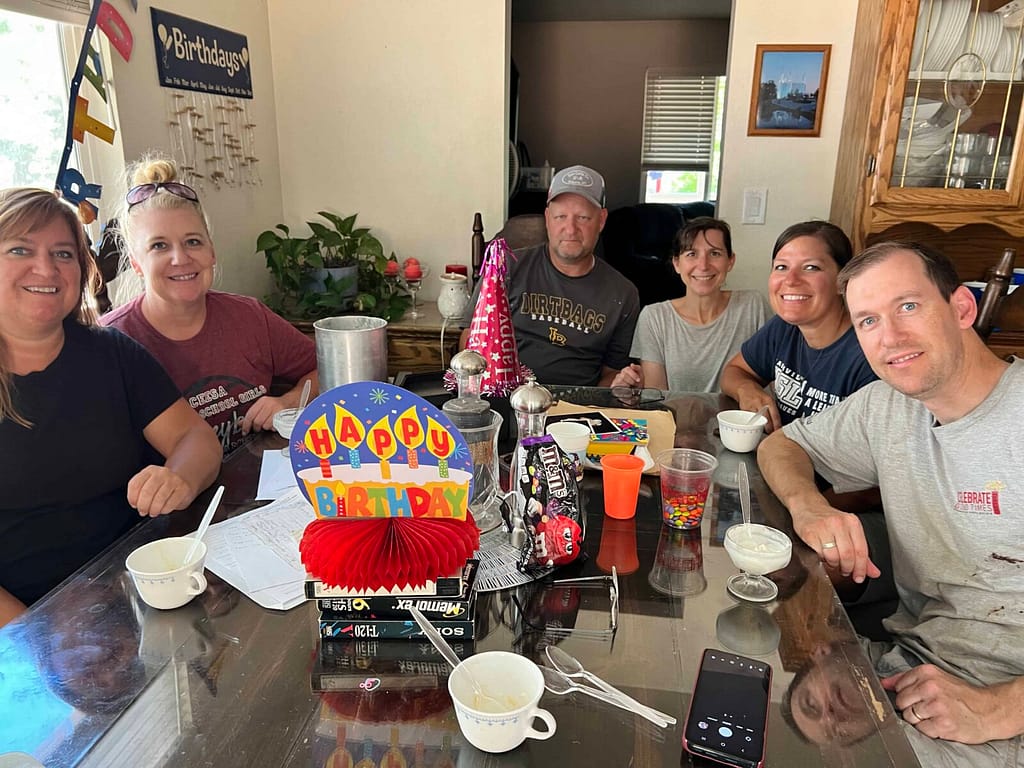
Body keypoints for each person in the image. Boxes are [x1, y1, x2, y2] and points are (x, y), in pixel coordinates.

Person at [758, 241, 1024, 766]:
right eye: (867, 321)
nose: (891, 338)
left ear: (962, 308)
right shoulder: (889, 405)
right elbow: (781, 445)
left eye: (908, 306)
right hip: (910, 664)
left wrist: (999, 709)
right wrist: (811, 506)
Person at [0, 188, 221, 626]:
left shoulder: (112, 352)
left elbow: (193, 437)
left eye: (63, 253)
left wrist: (178, 477)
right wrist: (26, 638)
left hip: (141, 592)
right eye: (20, 249)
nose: (45, 268)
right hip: (27, 623)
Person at [101, 155, 318, 455]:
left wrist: (289, 402)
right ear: (136, 263)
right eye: (159, 246)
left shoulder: (250, 317)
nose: (181, 258)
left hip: (261, 491)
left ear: (211, 251)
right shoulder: (110, 343)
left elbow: (323, 368)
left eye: (193, 242)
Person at [460, 165, 642, 387]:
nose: (570, 228)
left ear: (601, 220)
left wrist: (619, 385)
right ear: (547, 218)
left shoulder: (624, 294)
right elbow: (470, 338)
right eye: (560, 216)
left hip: (578, 409)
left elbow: (611, 373)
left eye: (583, 217)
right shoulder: (504, 268)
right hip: (504, 394)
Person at [720, 221, 877, 433]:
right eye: (781, 267)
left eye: (811, 267)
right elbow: (734, 371)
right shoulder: (784, 328)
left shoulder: (869, 353)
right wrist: (746, 389)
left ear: (843, 281)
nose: (791, 280)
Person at [630, 217, 770, 391]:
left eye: (715, 253)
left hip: (740, 418)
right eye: (691, 254)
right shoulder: (654, 317)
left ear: (730, 261)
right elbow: (656, 397)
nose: (703, 265)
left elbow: (771, 378)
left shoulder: (753, 306)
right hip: (675, 417)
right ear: (676, 263)